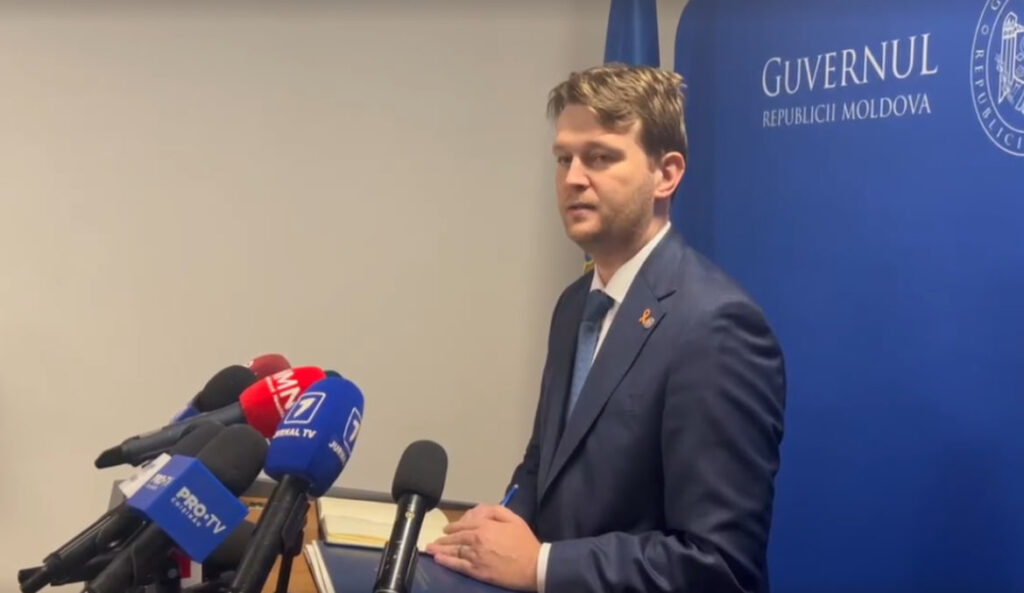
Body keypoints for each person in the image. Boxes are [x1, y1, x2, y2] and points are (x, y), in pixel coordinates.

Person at [425, 64, 787, 593]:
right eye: (563, 158)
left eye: (599, 157)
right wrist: (495, 528)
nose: (573, 177)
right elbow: (544, 466)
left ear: (666, 174)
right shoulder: (575, 305)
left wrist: (540, 565)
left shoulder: (717, 327)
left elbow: (719, 565)